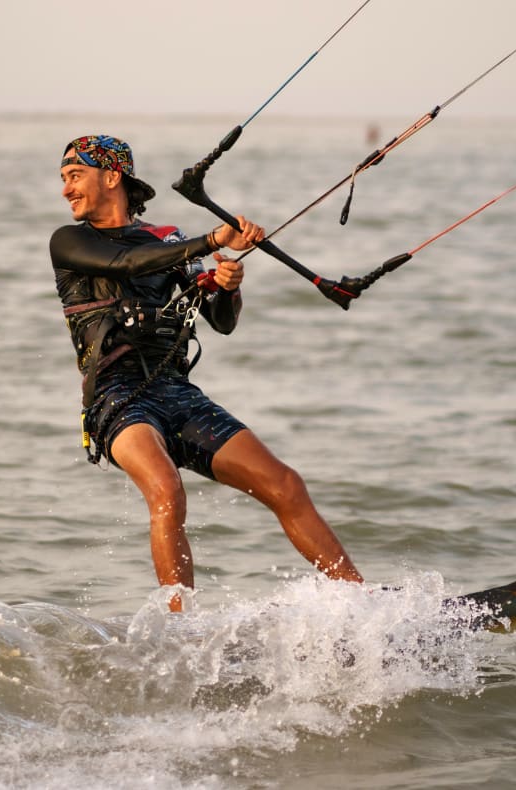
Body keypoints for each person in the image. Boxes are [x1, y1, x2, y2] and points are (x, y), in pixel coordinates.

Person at [50, 134, 363, 611]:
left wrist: (225, 285)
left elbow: (221, 322)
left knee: (286, 484)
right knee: (166, 489)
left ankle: (362, 604)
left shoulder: (167, 239)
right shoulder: (70, 241)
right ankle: (182, 631)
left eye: (75, 177)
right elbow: (127, 262)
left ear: (111, 177)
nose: (66, 189)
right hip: (118, 399)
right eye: (64, 179)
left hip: (177, 393)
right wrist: (216, 237)